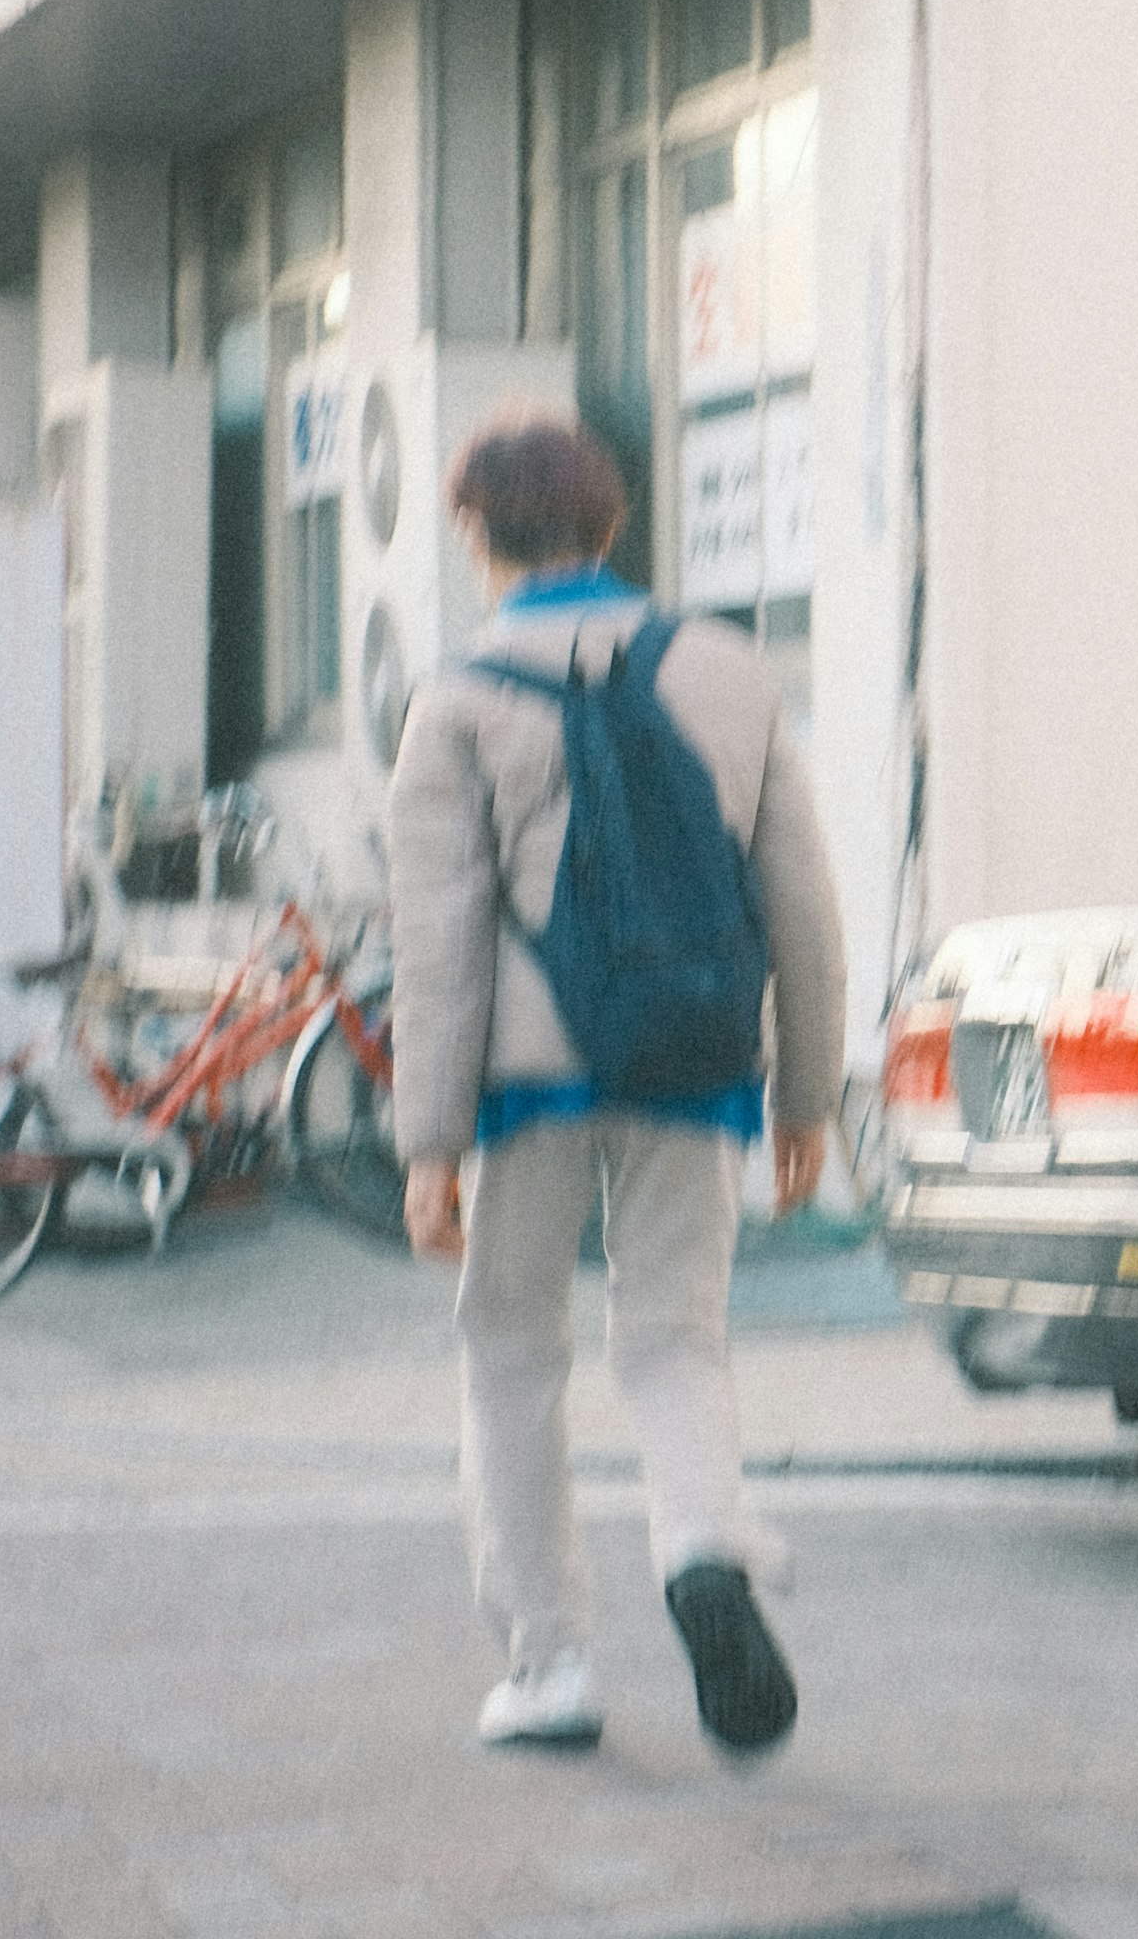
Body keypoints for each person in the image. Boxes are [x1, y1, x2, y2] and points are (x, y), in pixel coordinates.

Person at [388, 411, 846, 1757]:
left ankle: (550, 1666)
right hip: (689, 1063)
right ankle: (704, 1543)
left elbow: (441, 942)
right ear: (612, 524)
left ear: (477, 535)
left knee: (511, 1354)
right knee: (675, 1339)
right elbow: (801, 904)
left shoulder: (457, 697)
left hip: (526, 1082)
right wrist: (808, 1095)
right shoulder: (729, 671)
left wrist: (429, 1145)